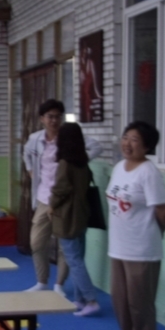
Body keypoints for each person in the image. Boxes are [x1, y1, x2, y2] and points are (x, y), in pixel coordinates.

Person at [104, 121, 165, 330]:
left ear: (147, 147)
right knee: (120, 298)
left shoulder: (148, 172)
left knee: (139, 300)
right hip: (118, 245)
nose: (127, 143)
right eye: (125, 137)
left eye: (134, 140)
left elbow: (163, 209)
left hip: (142, 247)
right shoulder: (119, 167)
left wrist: (155, 233)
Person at [22, 100, 102, 296]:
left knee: (65, 245)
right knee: (37, 242)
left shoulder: (70, 138)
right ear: (42, 119)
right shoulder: (35, 139)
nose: (54, 121)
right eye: (50, 117)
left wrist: (79, 159)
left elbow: (97, 147)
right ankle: (42, 281)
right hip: (44, 198)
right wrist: (31, 170)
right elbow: (26, 154)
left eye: (58, 116)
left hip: (67, 201)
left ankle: (59, 284)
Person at [48, 123, 101, 317]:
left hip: (67, 216)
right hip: (82, 213)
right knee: (78, 256)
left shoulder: (65, 163)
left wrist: (52, 205)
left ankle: (91, 300)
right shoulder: (82, 161)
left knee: (74, 259)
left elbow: (61, 189)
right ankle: (80, 299)